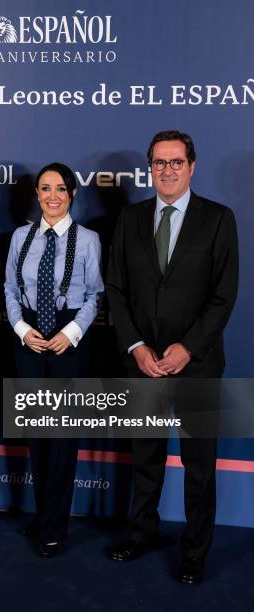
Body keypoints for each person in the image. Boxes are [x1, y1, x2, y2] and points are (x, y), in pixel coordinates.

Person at [107, 131, 238, 583]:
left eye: (176, 162)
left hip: (197, 365)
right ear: (150, 167)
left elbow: (223, 296)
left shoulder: (219, 219)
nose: (167, 170)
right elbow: (117, 291)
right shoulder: (129, 219)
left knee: (199, 465)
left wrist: (188, 347)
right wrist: (137, 347)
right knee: (145, 456)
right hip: (142, 364)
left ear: (192, 166)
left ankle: (195, 551)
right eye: (159, 162)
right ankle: (140, 533)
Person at [4, 162, 103, 558]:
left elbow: (96, 295)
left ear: (73, 193)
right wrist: (20, 328)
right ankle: (43, 515)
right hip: (27, 339)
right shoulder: (20, 237)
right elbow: (10, 287)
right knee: (37, 438)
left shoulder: (90, 240)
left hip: (68, 339)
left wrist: (71, 333)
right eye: (45, 189)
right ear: (37, 194)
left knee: (61, 440)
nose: (52, 196)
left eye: (60, 188)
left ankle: (54, 529)